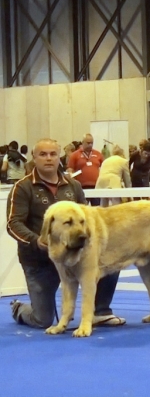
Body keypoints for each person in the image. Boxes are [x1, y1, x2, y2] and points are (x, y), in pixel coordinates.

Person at [7, 138, 125, 329]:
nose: (48, 159)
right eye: (43, 154)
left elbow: (88, 217)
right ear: (34, 158)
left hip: (73, 256)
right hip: (39, 261)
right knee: (43, 320)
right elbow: (13, 224)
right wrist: (36, 240)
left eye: (53, 154)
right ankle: (19, 308)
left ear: (59, 157)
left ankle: (100, 311)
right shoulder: (22, 187)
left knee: (111, 259)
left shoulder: (74, 186)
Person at [67, 134, 104, 206]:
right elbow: (70, 169)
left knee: (96, 208)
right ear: (82, 142)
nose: (90, 145)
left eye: (91, 143)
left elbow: (104, 167)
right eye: (88, 143)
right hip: (81, 187)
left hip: (96, 186)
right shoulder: (75, 155)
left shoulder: (98, 154)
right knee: (83, 208)